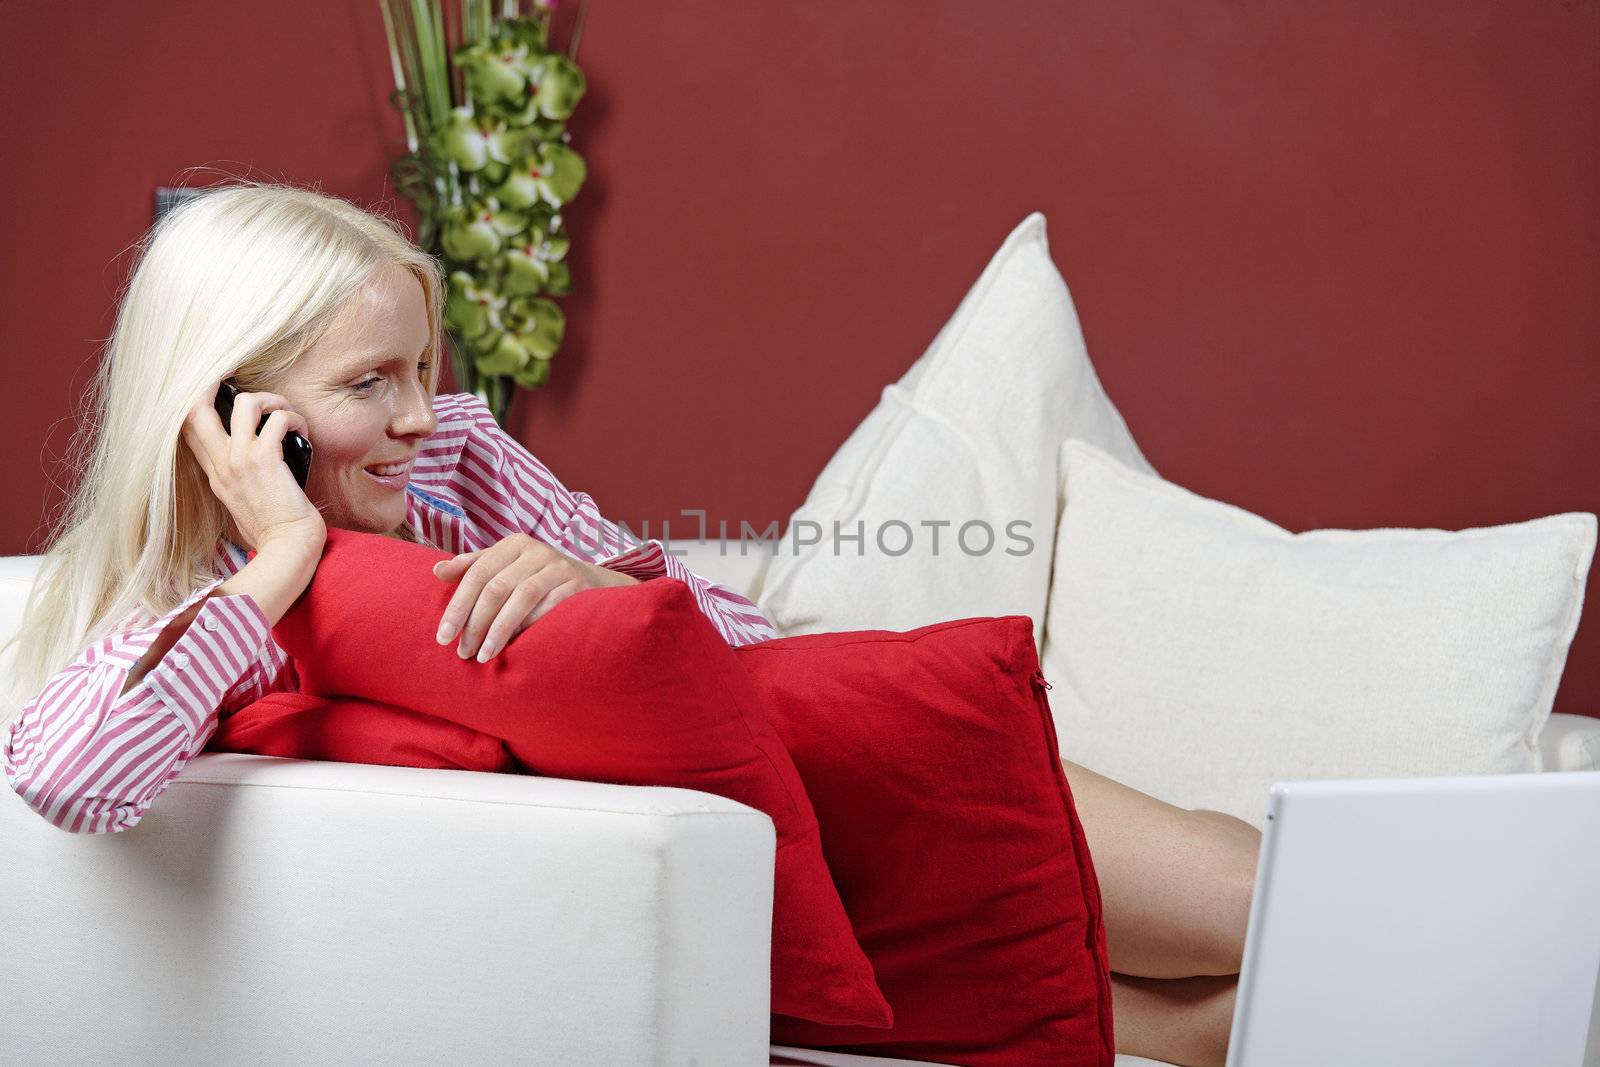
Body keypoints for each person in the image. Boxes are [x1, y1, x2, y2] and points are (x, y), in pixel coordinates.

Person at [1, 182, 1258, 1067]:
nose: (419, 416)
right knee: (1213, 993)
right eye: (367, 383)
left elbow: (736, 627)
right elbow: (65, 774)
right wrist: (281, 554)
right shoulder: (191, 606)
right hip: (745, 901)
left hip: (827, 770)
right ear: (230, 411)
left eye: (424, 367)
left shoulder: (455, 464)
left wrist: (606, 594)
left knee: (1250, 915)